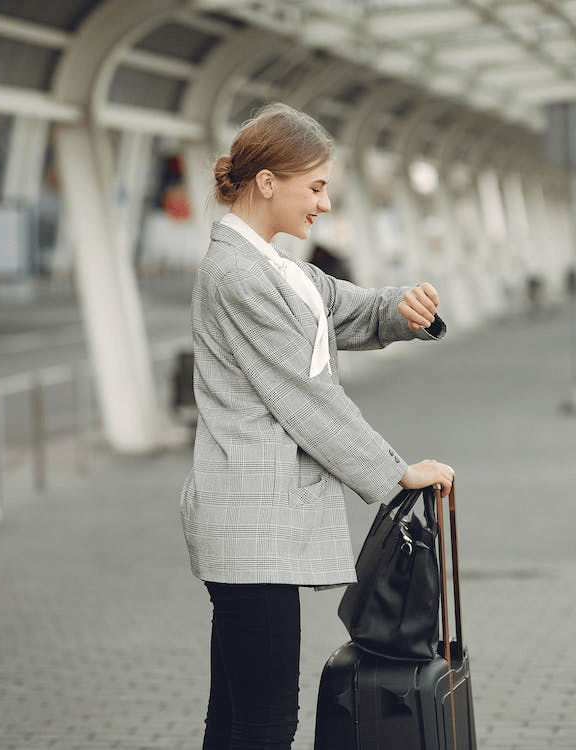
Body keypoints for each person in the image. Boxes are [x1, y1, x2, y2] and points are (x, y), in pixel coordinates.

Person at [179, 102, 455, 750]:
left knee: (239, 716)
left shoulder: (277, 269)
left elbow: (348, 307)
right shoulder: (238, 274)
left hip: (254, 525)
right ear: (267, 181)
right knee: (266, 719)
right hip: (250, 526)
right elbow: (303, 395)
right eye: (316, 186)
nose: (324, 204)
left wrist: (403, 309)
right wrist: (394, 473)